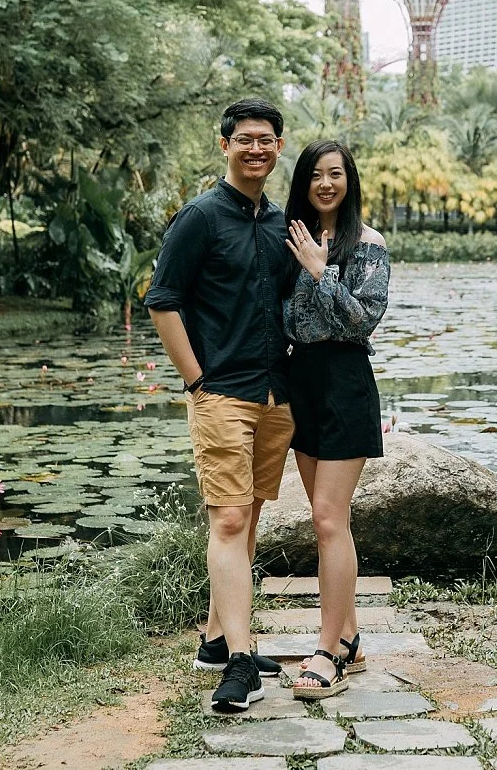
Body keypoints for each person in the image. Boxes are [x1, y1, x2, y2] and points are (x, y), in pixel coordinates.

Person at [144, 98, 294, 713]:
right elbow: (163, 300)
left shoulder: (283, 222)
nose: (256, 148)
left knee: (250, 519)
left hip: (275, 394)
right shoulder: (200, 218)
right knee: (228, 521)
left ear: (279, 148)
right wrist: (195, 380)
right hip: (221, 393)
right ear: (225, 145)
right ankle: (238, 660)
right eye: (245, 139)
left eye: (267, 139)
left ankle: (214, 637)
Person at [280, 139, 390, 700]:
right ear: (303, 183)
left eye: (336, 174)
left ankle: (328, 651)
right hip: (302, 383)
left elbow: (360, 324)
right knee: (327, 522)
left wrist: (323, 272)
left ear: (349, 180)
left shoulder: (368, 245)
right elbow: (283, 319)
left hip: (345, 382)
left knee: (328, 518)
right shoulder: (288, 238)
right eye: (316, 175)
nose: (326, 184)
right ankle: (348, 636)